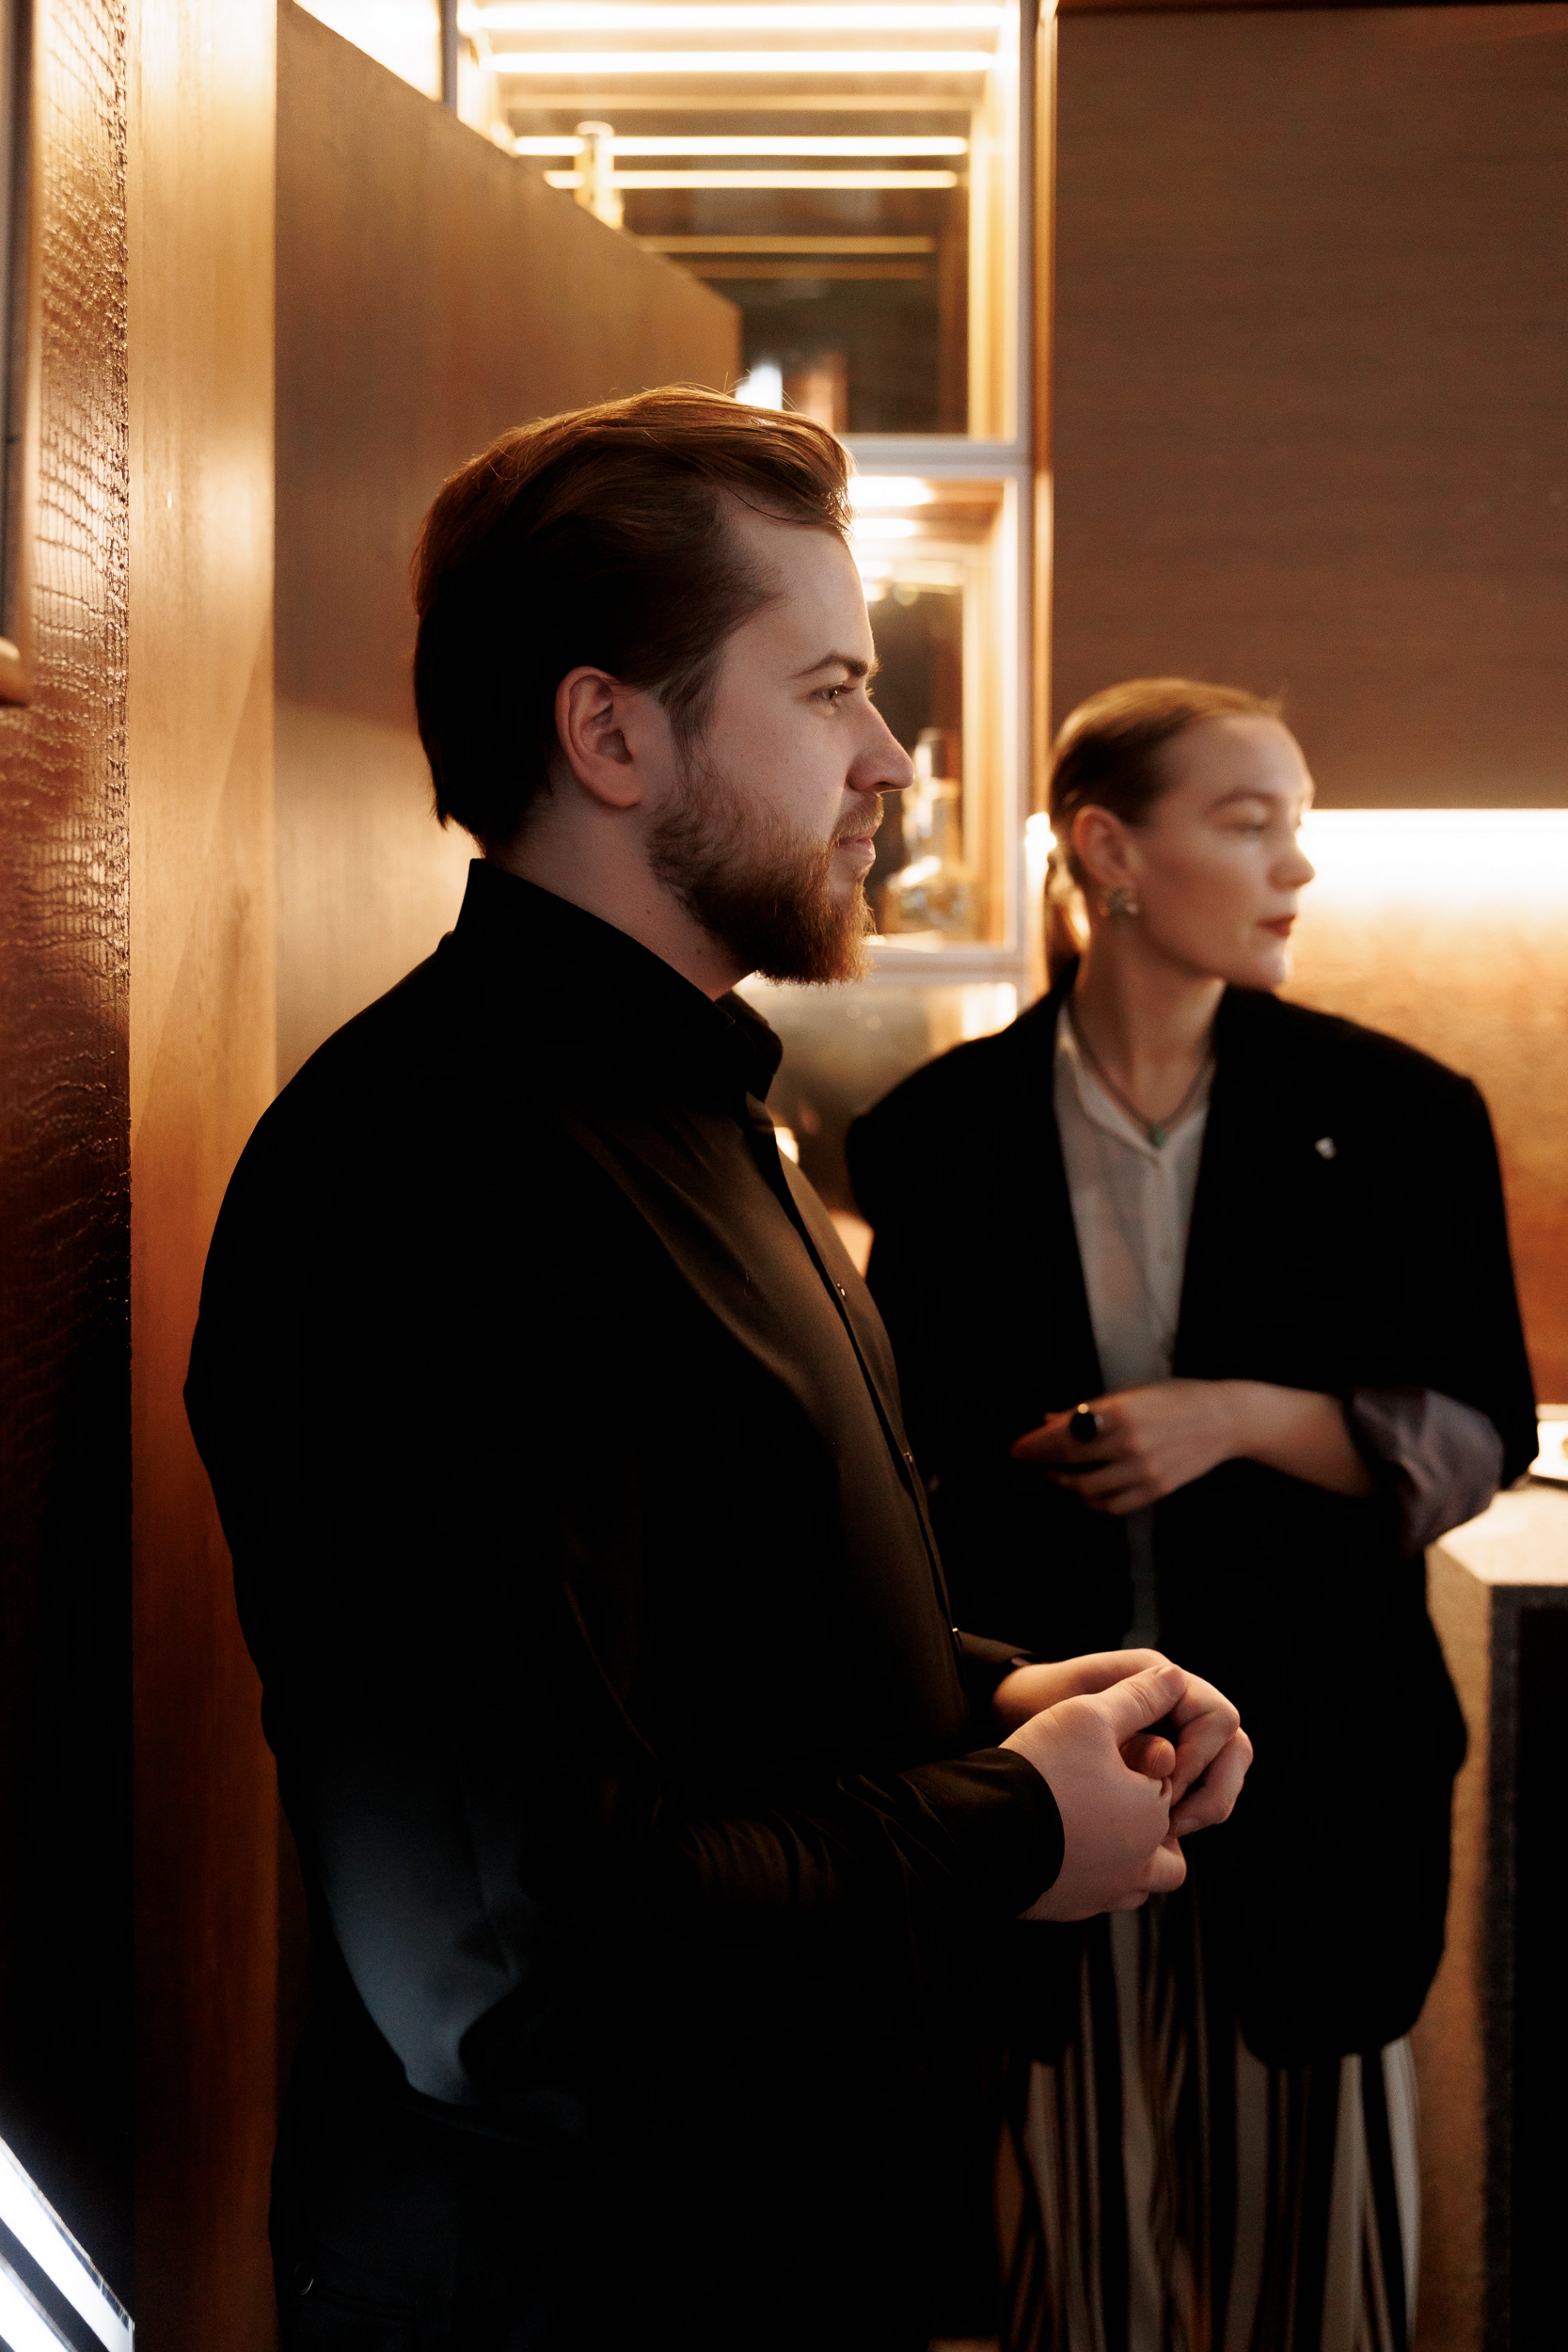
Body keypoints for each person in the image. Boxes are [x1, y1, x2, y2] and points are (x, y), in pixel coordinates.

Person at [184, 405, 1251, 2352]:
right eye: (832, 688)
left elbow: (723, 1644)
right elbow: (518, 1964)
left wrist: (1006, 1699)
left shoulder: (698, 1111)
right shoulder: (441, 1177)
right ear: (612, 735)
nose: (891, 759)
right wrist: (1013, 1826)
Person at [847, 678, 1537, 2352]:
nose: (1299, 867)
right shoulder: (927, 1138)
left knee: (1324, 2273)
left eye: (1301, 825)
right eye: (1251, 823)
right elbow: (908, 1473)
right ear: (1109, 850)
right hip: (1046, 1771)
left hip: (1324, 1768)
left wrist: (1233, 1418)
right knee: (1083, 2264)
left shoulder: (1404, 1116)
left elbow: (1480, 1432)